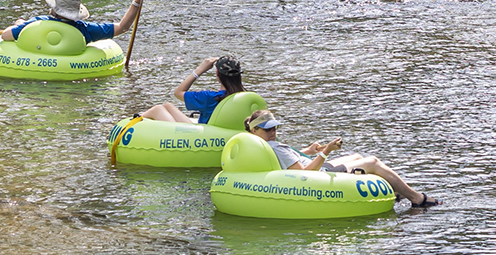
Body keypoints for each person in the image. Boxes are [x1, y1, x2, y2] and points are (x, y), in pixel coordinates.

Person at [245, 110, 439, 207]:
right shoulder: (274, 147)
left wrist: (309, 151)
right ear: (255, 130)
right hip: (318, 176)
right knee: (372, 161)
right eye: (268, 129)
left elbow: (290, 159)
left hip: (313, 166)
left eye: (275, 127)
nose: (273, 132)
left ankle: (397, 192)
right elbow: (304, 175)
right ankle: (417, 199)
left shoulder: (262, 144)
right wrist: (326, 150)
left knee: (356, 156)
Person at [0, 0, 150, 44]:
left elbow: (5, 36)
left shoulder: (38, 21)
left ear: (54, 8)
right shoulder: (86, 29)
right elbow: (123, 27)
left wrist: (20, 24)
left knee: (19, 21)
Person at [141, 55, 245, 125]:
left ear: (217, 73)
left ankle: (131, 123)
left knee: (158, 109)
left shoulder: (210, 97)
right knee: (168, 106)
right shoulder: (245, 97)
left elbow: (178, 93)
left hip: (206, 137)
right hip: (222, 134)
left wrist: (200, 70)